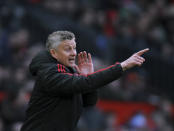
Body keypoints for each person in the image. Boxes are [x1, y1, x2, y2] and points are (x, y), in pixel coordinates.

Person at [20, 31, 149, 131]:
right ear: (54, 53)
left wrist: (86, 75)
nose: (73, 53)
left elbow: (89, 102)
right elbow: (84, 84)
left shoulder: (69, 72)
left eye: (74, 48)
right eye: (67, 49)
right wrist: (122, 66)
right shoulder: (49, 72)